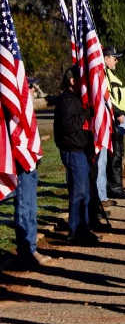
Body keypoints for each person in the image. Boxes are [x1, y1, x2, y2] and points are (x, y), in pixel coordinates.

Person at [53, 66, 97, 244]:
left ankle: (83, 228)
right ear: (73, 81)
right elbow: (69, 126)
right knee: (79, 193)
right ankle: (76, 231)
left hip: (80, 150)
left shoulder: (75, 99)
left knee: (84, 193)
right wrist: (86, 115)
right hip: (73, 151)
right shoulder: (67, 100)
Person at [12, 78, 51, 267]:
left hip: (29, 161)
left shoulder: (25, 109)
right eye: (30, 87)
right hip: (20, 161)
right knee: (25, 206)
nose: (33, 91)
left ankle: (30, 247)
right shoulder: (15, 107)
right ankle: (26, 251)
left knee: (30, 206)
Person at [104, 46, 125, 200]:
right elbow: (106, 98)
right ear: (106, 58)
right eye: (114, 57)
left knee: (118, 153)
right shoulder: (104, 75)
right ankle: (114, 188)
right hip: (115, 119)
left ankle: (115, 186)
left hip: (121, 118)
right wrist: (118, 113)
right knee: (115, 155)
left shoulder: (110, 74)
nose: (117, 61)